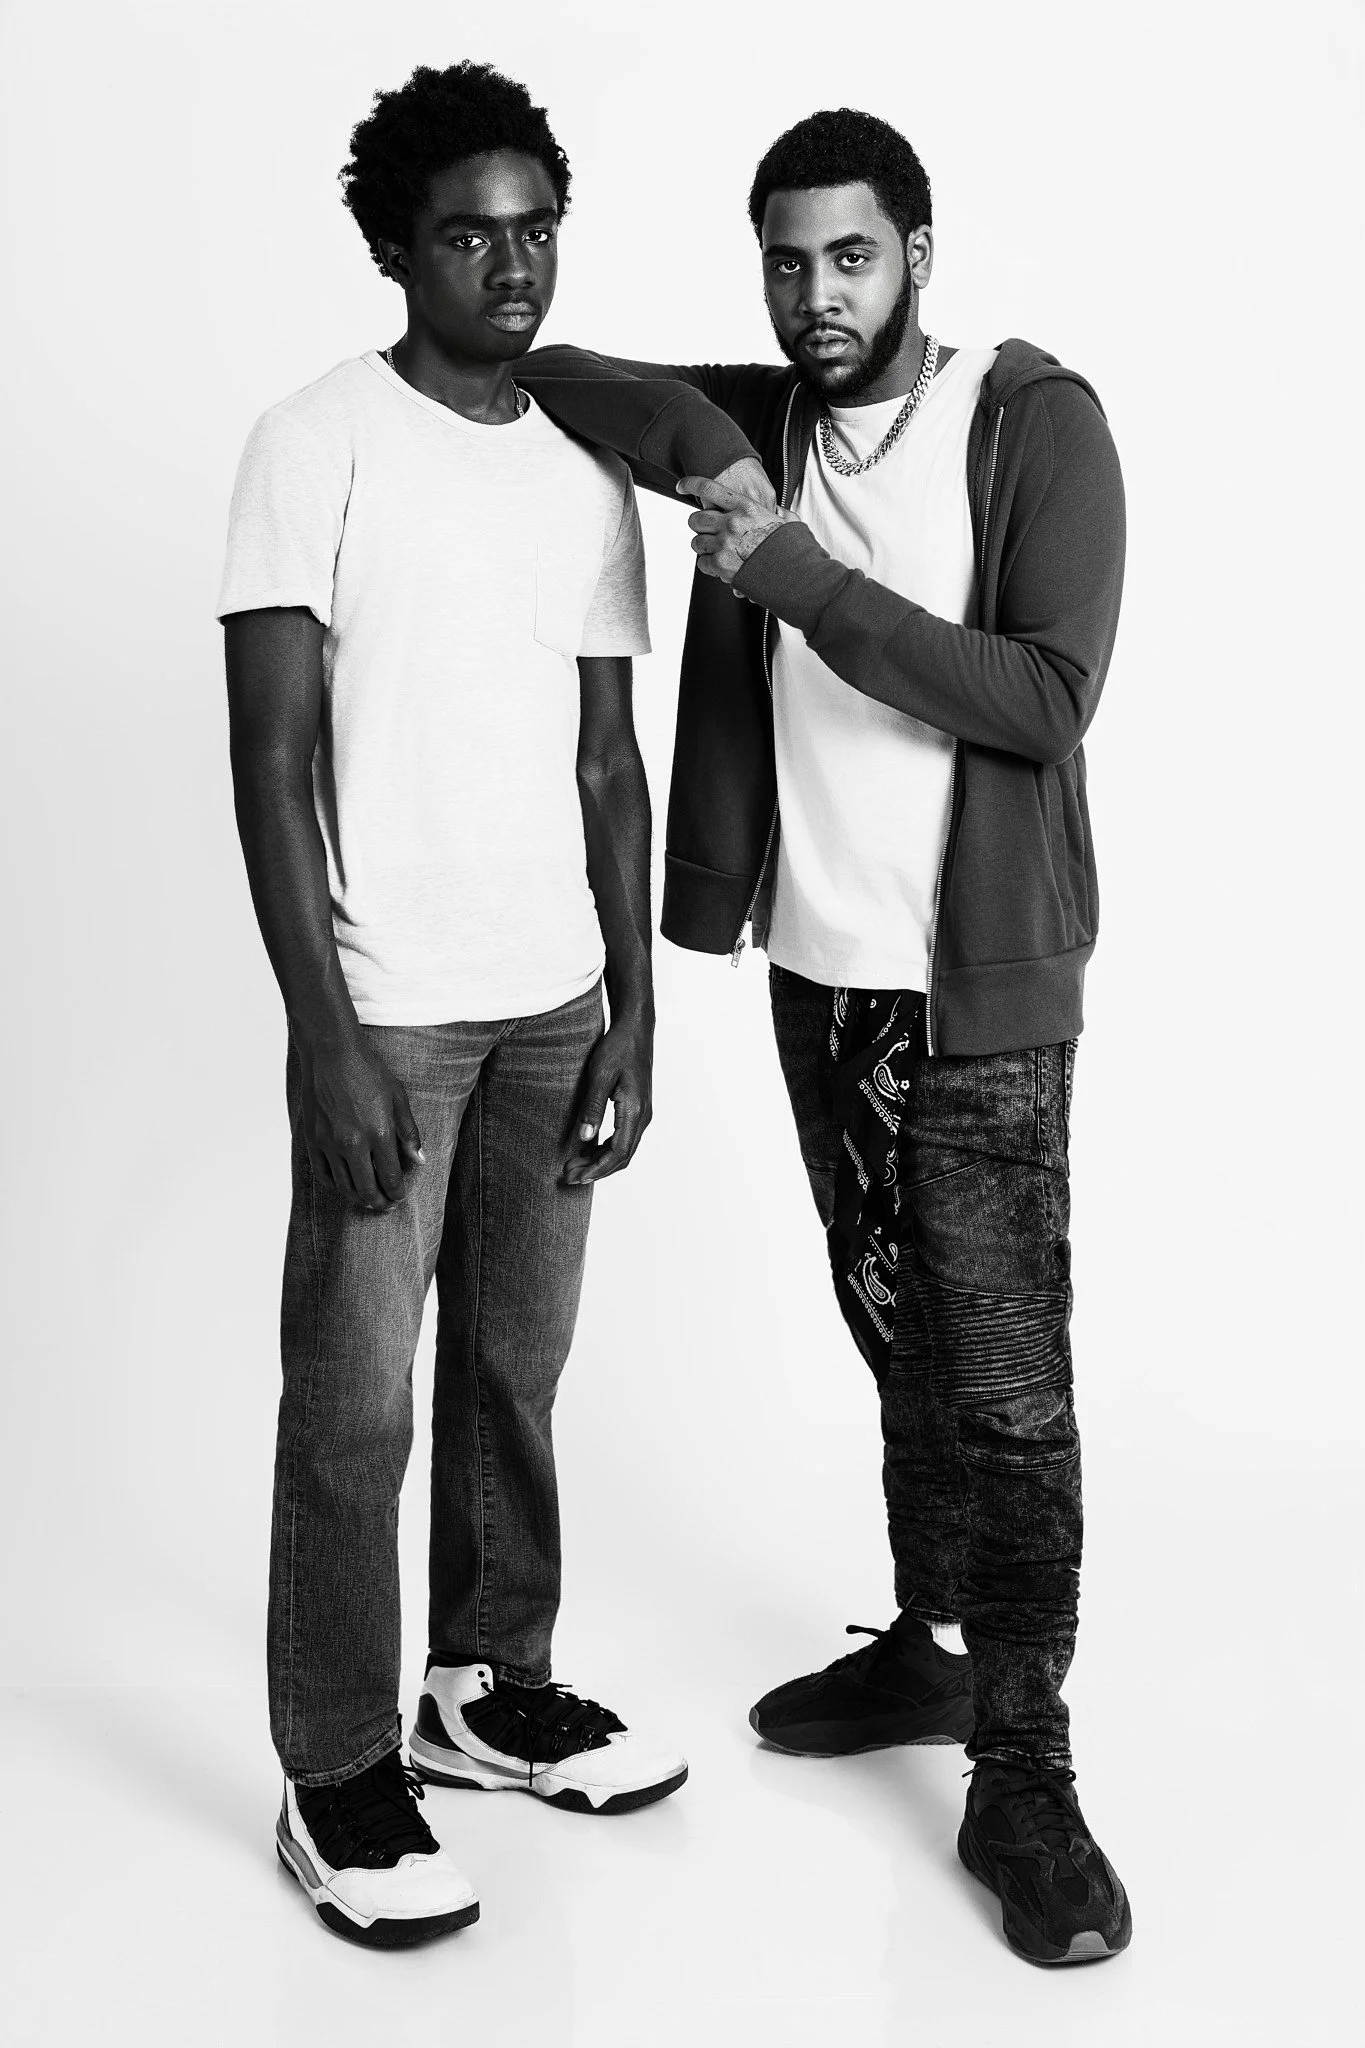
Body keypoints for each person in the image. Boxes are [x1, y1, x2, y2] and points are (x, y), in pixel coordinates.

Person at [519, 106, 1131, 1965]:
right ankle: (933, 1651)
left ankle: (1027, 1768)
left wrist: (789, 574)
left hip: (978, 994)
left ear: (918, 253)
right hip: (823, 971)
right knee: (898, 1331)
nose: (815, 294)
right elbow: (576, 377)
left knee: (1009, 1386)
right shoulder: (775, 419)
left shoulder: (1034, 421)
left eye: (849, 255)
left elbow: (1043, 694)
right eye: (785, 260)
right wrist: (701, 448)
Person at [218, 61, 689, 1951]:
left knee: (517, 1371)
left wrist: (635, 1005)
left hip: (551, 1007)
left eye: (535, 225)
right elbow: (266, 761)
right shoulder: (312, 440)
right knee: (353, 1405)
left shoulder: (588, 460)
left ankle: (483, 1687)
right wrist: (323, 1033)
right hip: (394, 1015)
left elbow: (609, 761)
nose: (512, 263)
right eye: (469, 232)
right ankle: (337, 1771)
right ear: (396, 249)